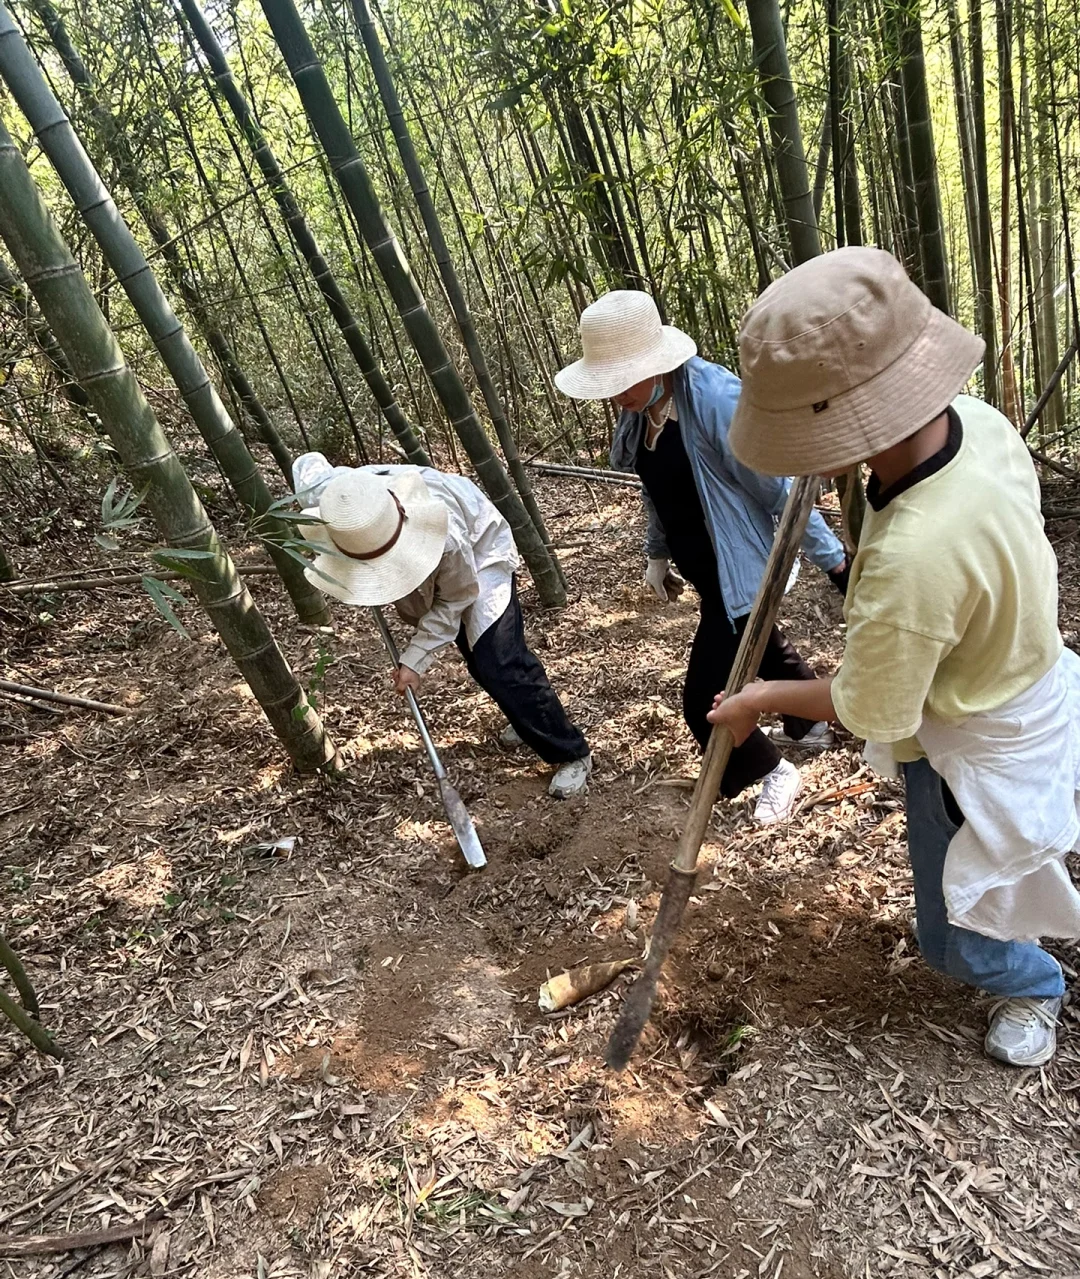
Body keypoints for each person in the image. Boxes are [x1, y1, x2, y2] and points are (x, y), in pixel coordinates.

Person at [709, 246, 1079, 1067]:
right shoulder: (976, 421)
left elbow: (872, 710)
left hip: (974, 734)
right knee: (1028, 839)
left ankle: (1036, 981)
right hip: (1030, 668)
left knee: (952, 939)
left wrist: (762, 697)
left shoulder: (914, 557)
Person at [554, 290, 849, 825]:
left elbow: (779, 490)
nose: (613, 393)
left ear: (653, 363)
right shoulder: (640, 412)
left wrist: (833, 561)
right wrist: (658, 556)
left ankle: (773, 770)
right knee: (760, 649)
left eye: (620, 378)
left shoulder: (713, 399)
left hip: (744, 568)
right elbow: (657, 489)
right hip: (708, 572)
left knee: (703, 700)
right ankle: (812, 727)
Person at [293, 454, 592, 799]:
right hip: (443, 564)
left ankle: (571, 752)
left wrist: (415, 659)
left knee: (500, 661)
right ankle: (528, 721)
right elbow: (308, 467)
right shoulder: (343, 502)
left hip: (481, 551)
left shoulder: (444, 534)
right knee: (477, 659)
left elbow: (455, 598)